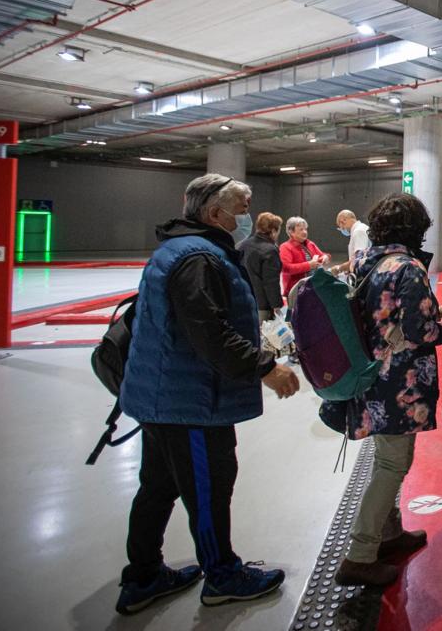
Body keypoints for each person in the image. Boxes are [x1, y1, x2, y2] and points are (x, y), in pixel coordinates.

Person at [116, 174, 300, 616]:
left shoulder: (179, 249)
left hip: (163, 396)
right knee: (209, 487)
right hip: (191, 401)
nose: (246, 217)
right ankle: (221, 575)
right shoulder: (198, 257)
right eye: (241, 208)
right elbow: (209, 331)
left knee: (158, 487)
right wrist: (265, 368)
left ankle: (142, 576)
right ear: (214, 213)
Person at [331, 193, 442, 588]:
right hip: (398, 383)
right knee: (392, 464)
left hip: (373, 378)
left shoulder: (368, 262)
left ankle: (390, 533)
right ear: (416, 228)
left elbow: (383, 317)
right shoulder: (408, 267)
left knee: (385, 457)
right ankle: (360, 554)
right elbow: (421, 331)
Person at [239, 212, 284, 324]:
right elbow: (270, 282)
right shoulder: (269, 250)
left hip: (245, 298)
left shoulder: (245, 244)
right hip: (262, 304)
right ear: (273, 231)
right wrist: (277, 306)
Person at [279, 216, 329, 297]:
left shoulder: (310, 244)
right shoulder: (285, 247)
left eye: (305, 229)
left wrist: (325, 257)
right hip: (296, 290)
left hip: (313, 287)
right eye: (301, 229)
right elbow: (286, 268)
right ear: (291, 232)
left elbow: (322, 255)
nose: (305, 232)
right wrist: (308, 265)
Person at [330, 209, 370, 275]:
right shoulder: (361, 228)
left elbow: (359, 259)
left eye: (340, 227)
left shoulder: (358, 231)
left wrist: (339, 268)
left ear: (343, 220)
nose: (342, 229)